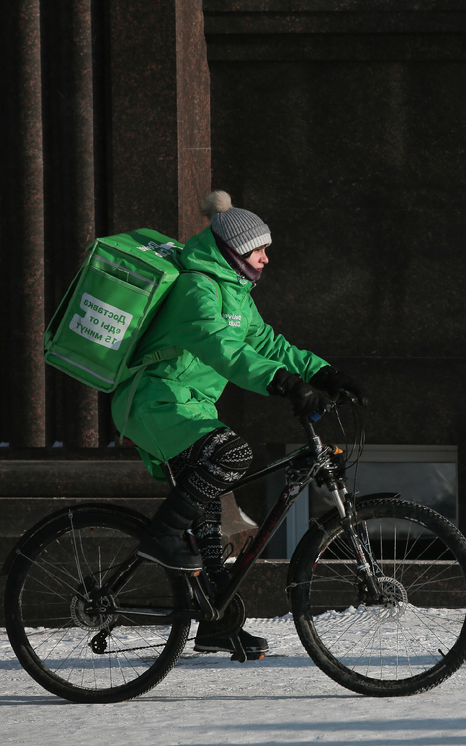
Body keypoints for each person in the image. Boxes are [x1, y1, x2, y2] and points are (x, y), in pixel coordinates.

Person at [113, 190, 363, 658]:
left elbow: (266, 342)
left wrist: (323, 371)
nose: (267, 259)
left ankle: (214, 624)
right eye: (259, 250)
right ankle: (161, 537)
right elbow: (225, 351)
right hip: (155, 403)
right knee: (232, 454)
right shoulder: (197, 289)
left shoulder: (234, 291)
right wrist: (284, 384)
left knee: (209, 523)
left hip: (188, 407)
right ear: (233, 250)